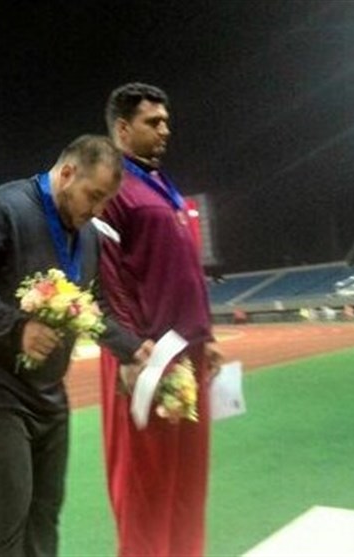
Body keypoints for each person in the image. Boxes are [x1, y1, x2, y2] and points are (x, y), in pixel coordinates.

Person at [0, 134, 151, 557]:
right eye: (93, 196)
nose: (97, 211)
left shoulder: (88, 236)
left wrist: (131, 348)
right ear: (67, 173)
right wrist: (16, 328)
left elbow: (90, 305)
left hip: (49, 394)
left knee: (44, 517)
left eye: (105, 201)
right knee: (4, 521)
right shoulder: (0, 209)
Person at [97, 82, 224, 557]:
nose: (165, 130)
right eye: (153, 122)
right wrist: (129, 349)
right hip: (146, 356)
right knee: (145, 485)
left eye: (166, 121)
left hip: (190, 352)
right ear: (122, 129)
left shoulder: (165, 190)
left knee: (189, 481)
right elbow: (104, 277)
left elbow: (188, 274)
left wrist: (207, 335)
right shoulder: (111, 189)